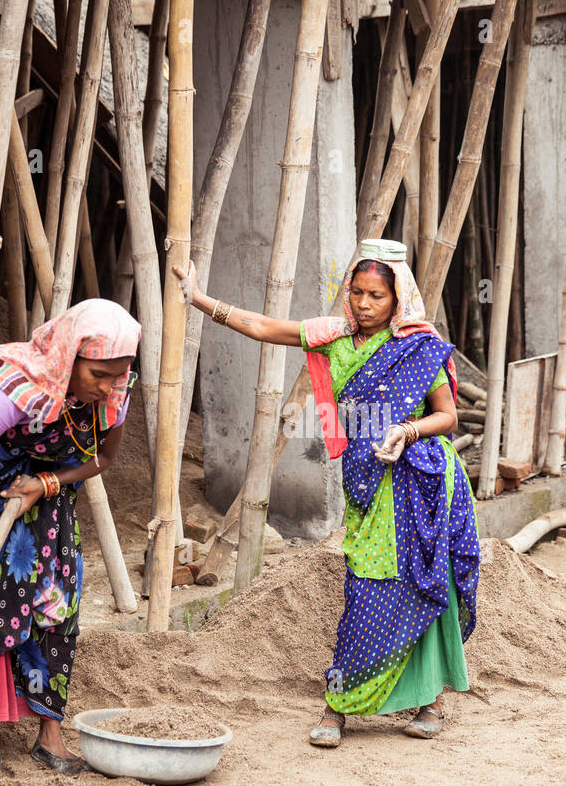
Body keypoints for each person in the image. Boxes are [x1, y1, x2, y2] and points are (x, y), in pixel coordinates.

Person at [173, 239, 480, 747]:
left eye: (376, 295)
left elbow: (447, 417)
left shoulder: (421, 345)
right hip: (366, 483)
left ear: (397, 297)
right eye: (356, 292)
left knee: (419, 581)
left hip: (420, 479)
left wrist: (406, 431)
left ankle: (418, 701)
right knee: (365, 587)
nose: (362, 304)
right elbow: (264, 327)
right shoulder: (332, 336)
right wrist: (200, 299)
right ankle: (342, 703)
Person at [0, 299, 141, 777]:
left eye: (119, 375)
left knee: (57, 600)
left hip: (46, 486)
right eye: (99, 374)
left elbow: (102, 460)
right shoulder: (12, 392)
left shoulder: (114, 394)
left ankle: (49, 732)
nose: (109, 387)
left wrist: (44, 485)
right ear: (69, 359)